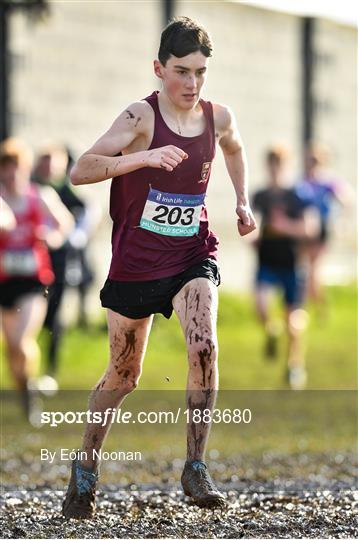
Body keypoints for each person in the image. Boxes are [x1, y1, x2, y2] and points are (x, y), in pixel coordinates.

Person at [62, 16, 256, 519]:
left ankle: (195, 467)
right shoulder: (138, 118)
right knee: (124, 374)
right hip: (135, 265)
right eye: (181, 71)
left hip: (192, 255)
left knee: (205, 344)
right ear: (158, 69)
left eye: (200, 73)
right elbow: (81, 169)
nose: (191, 84)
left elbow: (233, 148)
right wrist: (143, 158)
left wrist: (241, 200)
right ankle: (84, 470)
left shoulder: (219, 116)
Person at [0, 137, 73, 422]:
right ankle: (26, 394)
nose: (9, 174)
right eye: (5, 168)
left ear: (25, 168)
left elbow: (64, 223)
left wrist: (52, 238)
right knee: (11, 351)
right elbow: (4, 219)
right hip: (4, 280)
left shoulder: (39, 196)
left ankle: (30, 392)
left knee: (21, 341)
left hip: (33, 281)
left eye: (15, 167)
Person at [252, 145, 318, 389]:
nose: (275, 169)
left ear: (286, 166)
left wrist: (285, 227)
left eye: (279, 163)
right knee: (260, 307)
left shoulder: (298, 195)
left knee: (293, 321)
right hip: (267, 261)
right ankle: (272, 330)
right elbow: (256, 225)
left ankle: (294, 366)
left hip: (291, 263)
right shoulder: (260, 195)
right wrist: (254, 237)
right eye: (271, 163)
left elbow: (310, 228)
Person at [295, 143, 350, 310]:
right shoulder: (302, 182)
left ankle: (317, 303)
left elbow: (346, 200)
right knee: (305, 267)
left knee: (314, 268)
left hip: (322, 228)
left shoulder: (327, 182)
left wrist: (341, 222)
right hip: (306, 228)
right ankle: (309, 303)